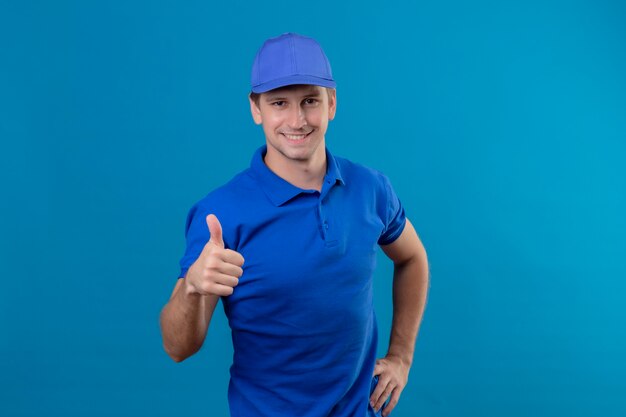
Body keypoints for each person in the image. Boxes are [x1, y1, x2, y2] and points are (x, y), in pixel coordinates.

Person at [159, 32, 429, 417]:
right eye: (279, 103)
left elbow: (412, 259)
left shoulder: (371, 189)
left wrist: (401, 356)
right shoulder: (222, 214)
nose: (297, 120)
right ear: (256, 110)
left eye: (309, 101)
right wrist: (193, 289)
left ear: (331, 103)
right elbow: (177, 347)